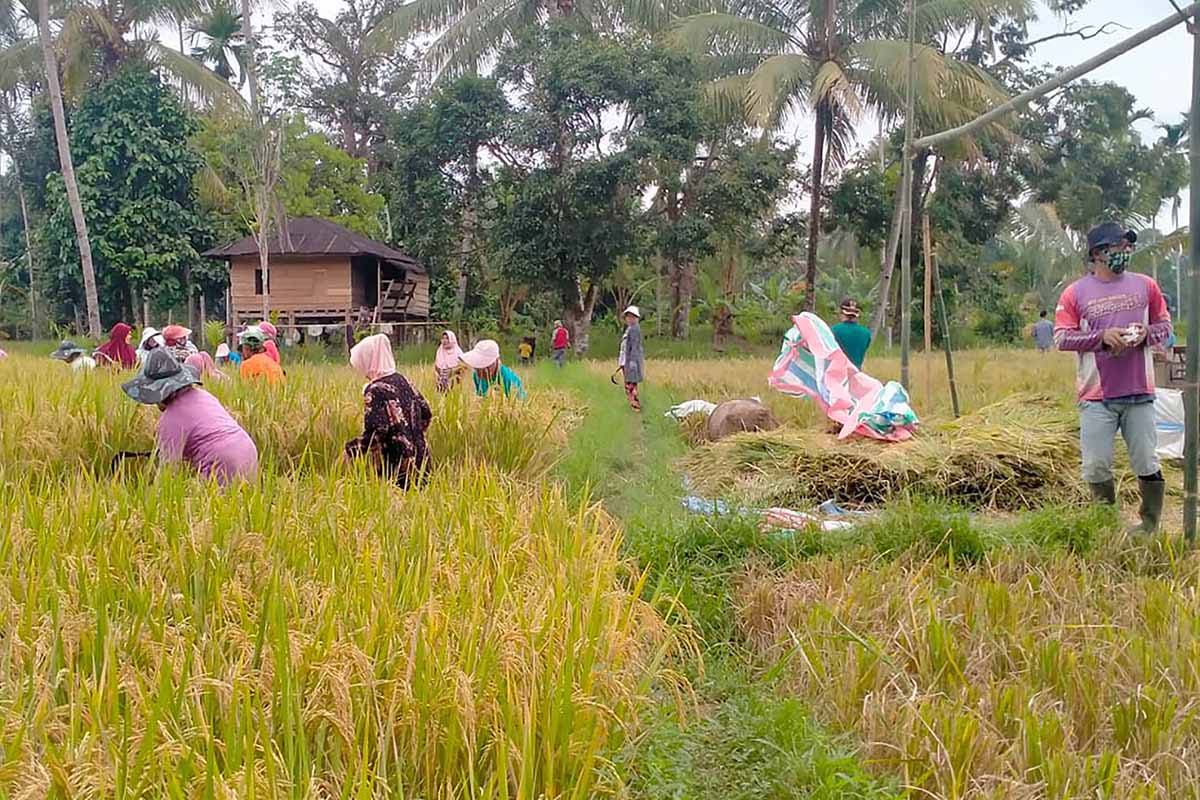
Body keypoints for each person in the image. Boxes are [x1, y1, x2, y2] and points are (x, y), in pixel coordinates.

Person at [1055, 222, 1171, 534]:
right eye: (1118, 246)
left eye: (1127, 245)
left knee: (1147, 461)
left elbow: (1165, 327)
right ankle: (1105, 526)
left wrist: (1146, 334)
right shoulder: (1074, 294)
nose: (1125, 251)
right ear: (1098, 253)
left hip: (1139, 393)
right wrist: (1101, 338)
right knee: (1095, 466)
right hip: (1096, 397)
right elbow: (1062, 338)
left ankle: (1149, 527)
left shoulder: (1146, 286)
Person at [121, 348, 258, 486]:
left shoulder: (170, 419)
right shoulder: (203, 395)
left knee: (214, 504)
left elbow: (168, 472)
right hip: (247, 450)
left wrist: (151, 499)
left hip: (223, 460)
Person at [344, 333, 432, 487]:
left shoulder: (375, 390)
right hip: (421, 460)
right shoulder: (402, 380)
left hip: (399, 464)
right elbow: (426, 413)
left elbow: (376, 432)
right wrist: (413, 434)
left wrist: (352, 450)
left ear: (369, 360)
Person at [460, 339, 526, 399]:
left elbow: (516, 404)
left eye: (483, 366)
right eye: (477, 366)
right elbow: (480, 397)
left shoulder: (507, 380)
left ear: (495, 362)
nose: (479, 371)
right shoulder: (476, 375)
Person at [831, 298, 871, 370]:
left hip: (837, 374)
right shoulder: (866, 333)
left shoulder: (833, 330)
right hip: (856, 374)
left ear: (842, 312)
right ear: (857, 314)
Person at [618, 305, 644, 411]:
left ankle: (635, 404)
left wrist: (633, 361)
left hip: (631, 361)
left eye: (632, 316)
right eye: (628, 316)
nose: (630, 318)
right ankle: (633, 403)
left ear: (636, 318)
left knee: (630, 383)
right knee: (629, 383)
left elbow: (634, 346)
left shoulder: (634, 329)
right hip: (626, 359)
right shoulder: (630, 329)